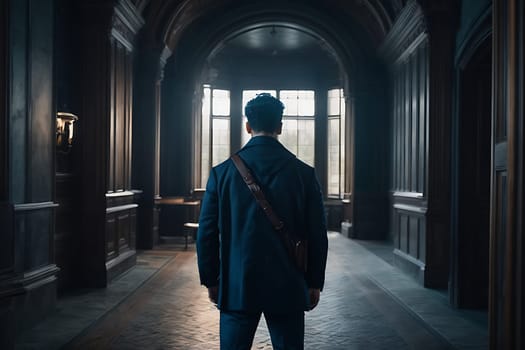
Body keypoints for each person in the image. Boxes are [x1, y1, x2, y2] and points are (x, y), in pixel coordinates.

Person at [196, 93, 328, 349]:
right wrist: (314, 281)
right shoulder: (304, 174)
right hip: (288, 284)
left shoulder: (221, 174)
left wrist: (211, 280)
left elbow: (206, 234)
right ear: (280, 126)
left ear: (248, 126)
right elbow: (317, 233)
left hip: (237, 285)